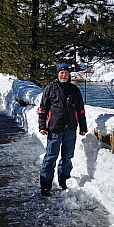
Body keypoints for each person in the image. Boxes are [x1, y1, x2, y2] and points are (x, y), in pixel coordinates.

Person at [38, 63, 87, 197]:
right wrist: (42, 126)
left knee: (67, 157)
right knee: (50, 157)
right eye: (61, 72)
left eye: (66, 72)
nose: (63, 74)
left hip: (70, 129)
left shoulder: (74, 90)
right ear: (57, 74)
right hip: (55, 128)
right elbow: (43, 109)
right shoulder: (50, 88)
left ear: (69, 74)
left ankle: (64, 181)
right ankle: (46, 185)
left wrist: (83, 127)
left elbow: (80, 110)